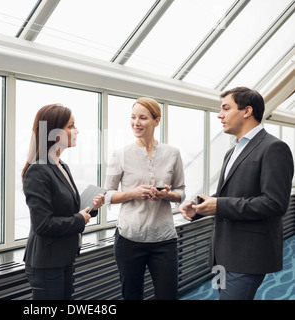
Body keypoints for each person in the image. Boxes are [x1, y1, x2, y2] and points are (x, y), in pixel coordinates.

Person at [179, 87, 294, 300]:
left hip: (247, 254)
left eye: (226, 108)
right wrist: (198, 207)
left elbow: (275, 204)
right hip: (221, 251)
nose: (219, 115)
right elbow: (230, 191)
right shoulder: (232, 151)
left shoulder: (274, 148)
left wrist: (220, 205)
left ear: (247, 111)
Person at [104, 97, 186, 300]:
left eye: (142, 118)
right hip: (129, 239)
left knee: (168, 296)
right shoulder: (119, 154)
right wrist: (133, 193)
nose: (136, 123)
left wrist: (167, 195)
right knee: (132, 296)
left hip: (164, 239)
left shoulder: (173, 153)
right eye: (133, 117)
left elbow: (181, 191)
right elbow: (107, 194)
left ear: (157, 121)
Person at [21, 103, 105, 300]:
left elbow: (67, 210)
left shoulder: (61, 166)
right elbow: (43, 224)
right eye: (71, 126)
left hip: (63, 258)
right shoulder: (38, 170)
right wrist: (80, 219)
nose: (77, 131)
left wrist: (91, 209)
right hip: (46, 263)